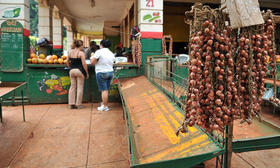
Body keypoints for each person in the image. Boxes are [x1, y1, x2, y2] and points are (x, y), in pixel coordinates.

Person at [90, 39, 115, 111]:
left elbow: (92, 62)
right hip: (110, 72)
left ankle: (105, 106)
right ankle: (104, 104)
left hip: (101, 72)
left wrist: (92, 57)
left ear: (101, 45)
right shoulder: (111, 53)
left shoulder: (99, 52)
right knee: (106, 89)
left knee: (104, 90)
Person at [67, 40, 89, 109]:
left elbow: (67, 61)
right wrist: (87, 73)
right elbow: (84, 64)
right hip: (79, 71)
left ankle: (71, 104)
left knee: (72, 87)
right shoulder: (81, 53)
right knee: (80, 87)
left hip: (71, 71)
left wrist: (70, 67)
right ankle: (78, 104)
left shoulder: (70, 52)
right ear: (81, 46)